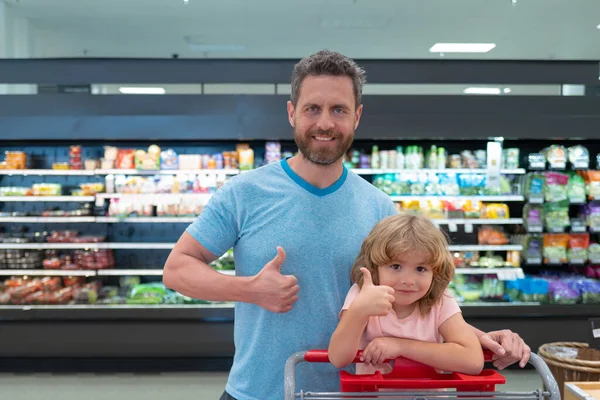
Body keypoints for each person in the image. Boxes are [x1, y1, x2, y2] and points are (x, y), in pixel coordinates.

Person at [162, 49, 531, 400]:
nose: (325, 123)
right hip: (260, 389)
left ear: (357, 116)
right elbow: (177, 270)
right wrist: (250, 290)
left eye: (338, 109)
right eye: (312, 108)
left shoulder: (380, 207)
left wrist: (476, 339)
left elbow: (412, 299)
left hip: (355, 390)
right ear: (292, 113)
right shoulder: (244, 192)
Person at [329, 213, 484, 377]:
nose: (408, 280)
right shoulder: (363, 295)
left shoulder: (440, 301)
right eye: (396, 266)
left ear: (436, 272)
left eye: (420, 269)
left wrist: (399, 346)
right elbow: (338, 359)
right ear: (375, 267)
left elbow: (473, 360)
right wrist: (358, 311)